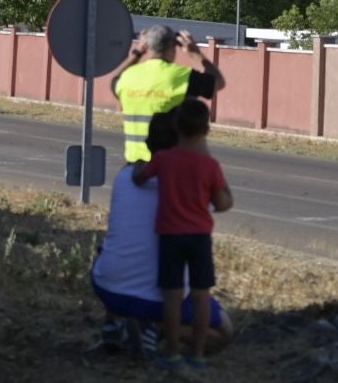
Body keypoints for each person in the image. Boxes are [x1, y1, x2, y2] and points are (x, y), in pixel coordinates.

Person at [91, 112, 233, 357]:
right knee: (224, 333)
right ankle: (155, 327)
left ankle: (115, 322)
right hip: (162, 294)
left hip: (108, 287)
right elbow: (223, 202)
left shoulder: (125, 176)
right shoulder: (194, 182)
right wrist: (204, 153)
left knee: (113, 246)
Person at [132, 100, 233, 369]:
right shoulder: (209, 165)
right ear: (207, 131)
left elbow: (140, 178)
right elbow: (223, 203)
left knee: (173, 297)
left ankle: (173, 353)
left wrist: (138, 166)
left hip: (170, 236)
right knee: (201, 296)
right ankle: (198, 355)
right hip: (199, 237)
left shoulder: (164, 160)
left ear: (176, 127)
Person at [112, 26, 226, 164]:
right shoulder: (181, 76)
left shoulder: (128, 77)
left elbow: (114, 81)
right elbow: (218, 82)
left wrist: (138, 52)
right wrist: (196, 53)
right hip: (167, 169)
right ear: (173, 48)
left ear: (148, 46)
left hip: (133, 168)